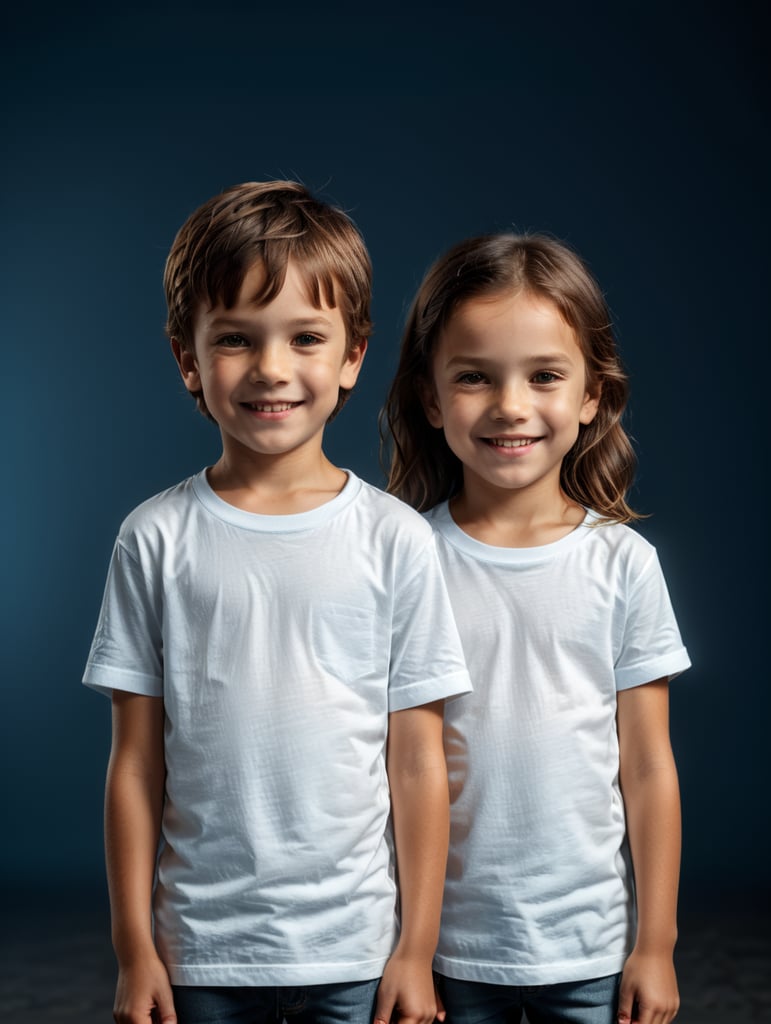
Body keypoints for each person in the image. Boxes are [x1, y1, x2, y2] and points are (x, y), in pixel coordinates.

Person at [83, 180, 471, 1024]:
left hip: (357, 951)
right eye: (234, 339)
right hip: (200, 952)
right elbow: (136, 764)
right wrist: (133, 951)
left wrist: (414, 949)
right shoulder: (154, 538)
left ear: (351, 357)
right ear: (188, 358)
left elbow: (416, 761)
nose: (271, 369)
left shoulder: (396, 540)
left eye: (305, 337)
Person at [383, 233, 690, 1024]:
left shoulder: (622, 564)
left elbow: (648, 767)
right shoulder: (401, 556)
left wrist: (653, 944)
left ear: (590, 395)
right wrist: (408, 950)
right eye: (474, 378)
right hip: (442, 948)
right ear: (429, 396)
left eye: (544, 376)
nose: (510, 406)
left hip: (589, 945)